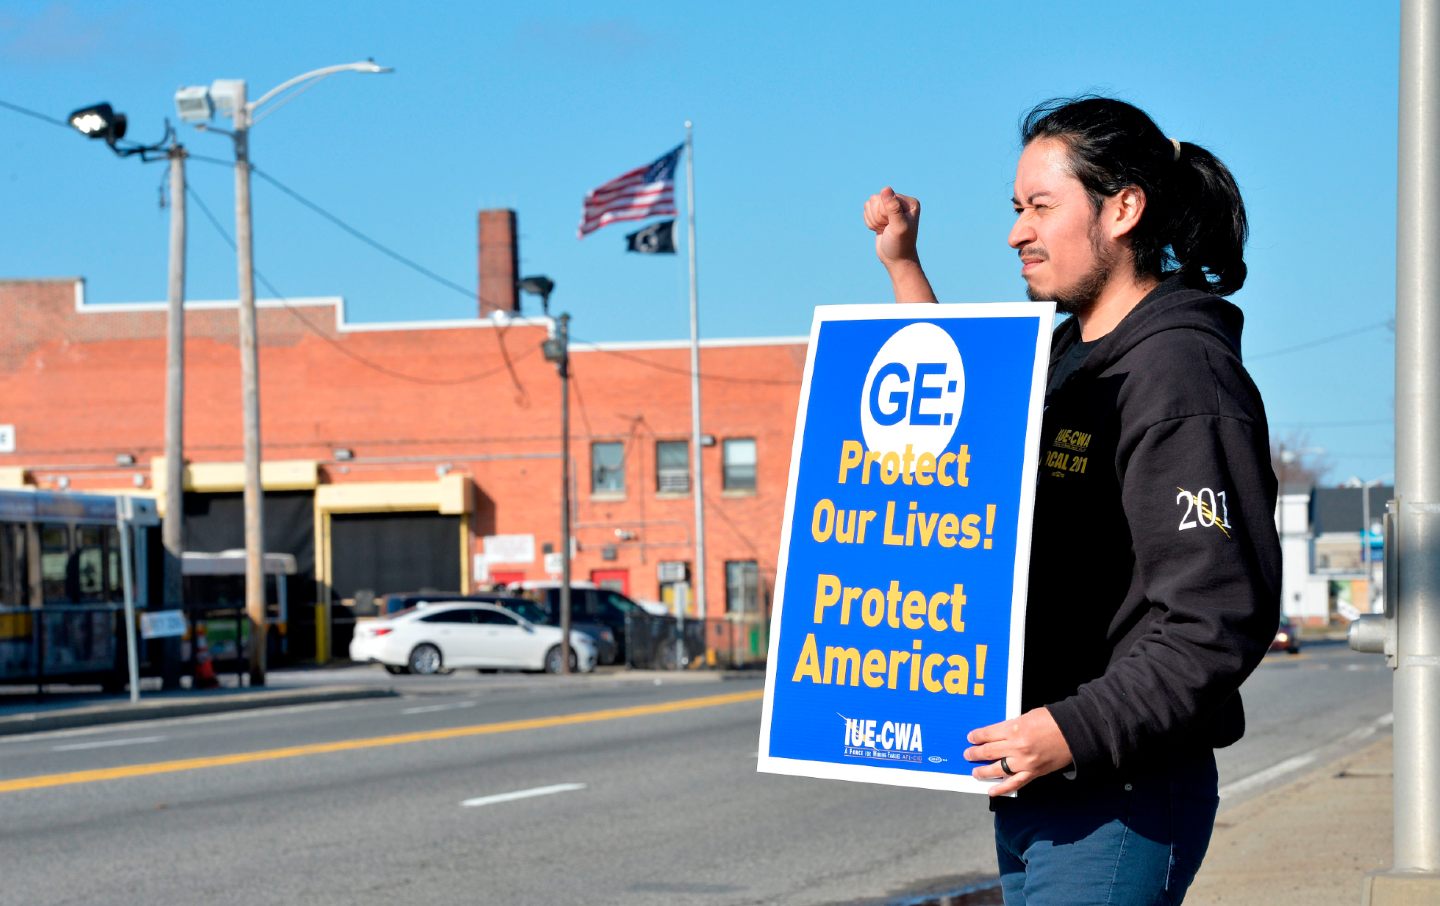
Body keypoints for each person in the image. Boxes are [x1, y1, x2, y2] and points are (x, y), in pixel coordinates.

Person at [863, 96, 1281, 904]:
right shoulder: (1068, 356)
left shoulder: (1179, 375)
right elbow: (963, 445)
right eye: (1016, 209)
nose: (1017, 232)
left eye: (1041, 207)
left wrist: (1070, 731)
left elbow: (1216, 617)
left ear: (1123, 210)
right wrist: (904, 269)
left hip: (1119, 790)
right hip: (1041, 781)